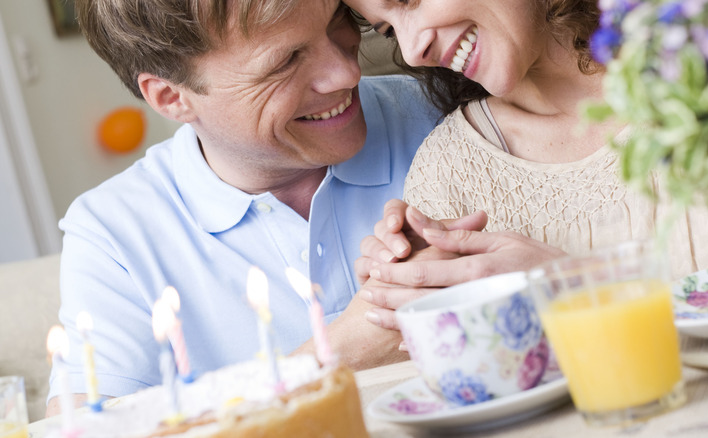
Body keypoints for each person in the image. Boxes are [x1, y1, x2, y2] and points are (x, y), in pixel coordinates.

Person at [46, 0, 447, 416]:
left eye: (337, 21)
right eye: (286, 61)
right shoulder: (113, 231)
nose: (349, 73)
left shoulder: (445, 113)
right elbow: (82, 425)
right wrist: (342, 350)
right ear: (171, 97)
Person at [345, 0, 708, 329]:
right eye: (388, 30)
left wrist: (574, 289)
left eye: (410, 1)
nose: (413, 50)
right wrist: (416, 283)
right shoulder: (448, 174)